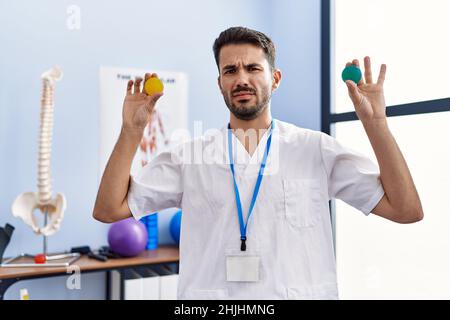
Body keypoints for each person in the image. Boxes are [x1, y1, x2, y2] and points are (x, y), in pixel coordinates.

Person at [93, 26, 423, 299]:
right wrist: (131, 130)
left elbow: (405, 209)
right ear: (220, 82)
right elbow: (109, 209)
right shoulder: (188, 156)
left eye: (253, 68)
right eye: (230, 70)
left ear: (275, 78)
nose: (241, 79)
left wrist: (376, 124)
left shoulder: (316, 149)